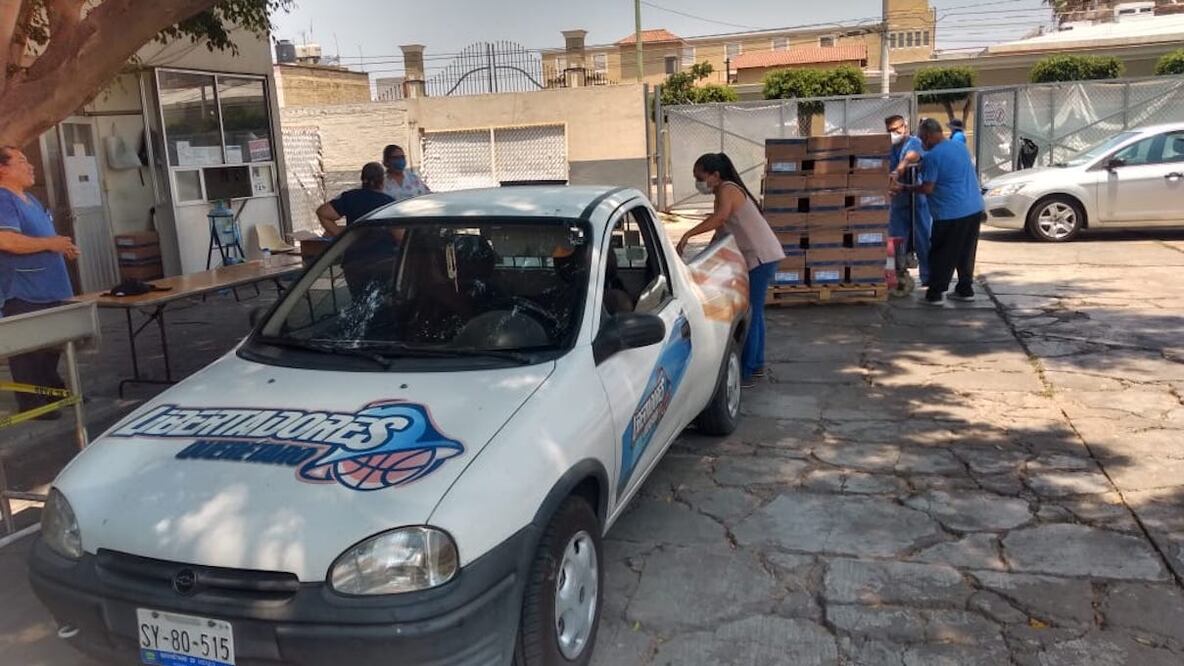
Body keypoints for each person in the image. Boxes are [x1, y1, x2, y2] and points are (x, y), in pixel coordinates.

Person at [677, 153, 786, 388]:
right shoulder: (722, 192)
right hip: (763, 256)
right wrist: (699, 261)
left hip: (761, 257)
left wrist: (687, 235)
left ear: (715, 176)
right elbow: (721, 232)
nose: (698, 182)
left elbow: (720, 219)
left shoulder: (727, 189)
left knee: (752, 313)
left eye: (700, 177)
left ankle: (749, 370)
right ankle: (756, 365)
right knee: (755, 313)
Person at [0, 146, 81, 419]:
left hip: (51, 286)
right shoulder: (3, 199)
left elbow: (44, 234)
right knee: (28, 349)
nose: (30, 166)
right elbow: (7, 240)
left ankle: (53, 391)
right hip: (24, 289)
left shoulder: (31, 199)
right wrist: (50, 243)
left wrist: (62, 246)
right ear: (3, 169)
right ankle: (33, 404)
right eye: (22, 161)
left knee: (51, 344)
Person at [907, 119, 985, 306]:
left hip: (950, 213)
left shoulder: (933, 156)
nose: (921, 142)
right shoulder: (959, 147)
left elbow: (927, 188)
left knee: (942, 253)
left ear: (927, 136)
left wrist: (904, 188)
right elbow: (951, 172)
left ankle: (935, 294)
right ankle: (965, 289)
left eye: (921, 138)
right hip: (973, 208)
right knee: (965, 252)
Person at [316, 162, 396, 297]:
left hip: (354, 262)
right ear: (382, 181)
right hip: (383, 261)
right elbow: (399, 234)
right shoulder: (388, 203)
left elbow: (322, 212)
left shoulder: (350, 197)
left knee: (359, 301)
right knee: (381, 302)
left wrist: (344, 237)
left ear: (362, 179)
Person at [885, 115, 933, 286]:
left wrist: (899, 170)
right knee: (894, 239)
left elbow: (912, 157)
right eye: (891, 130)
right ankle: (894, 276)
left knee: (923, 238)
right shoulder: (888, 147)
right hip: (897, 201)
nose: (895, 133)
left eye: (897, 128)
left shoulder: (913, 142)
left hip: (916, 199)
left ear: (905, 127)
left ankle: (928, 277)